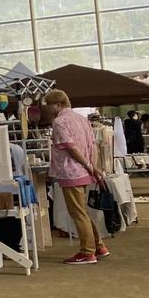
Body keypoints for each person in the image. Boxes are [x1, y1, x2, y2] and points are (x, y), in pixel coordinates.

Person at [42, 89, 107, 264]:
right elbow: (92, 145)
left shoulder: (59, 122)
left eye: (49, 104)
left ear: (59, 104)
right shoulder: (81, 119)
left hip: (71, 172)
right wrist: (92, 166)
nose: (47, 108)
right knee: (82, 211)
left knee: (78, 213)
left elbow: (70, 147)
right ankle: (99, 246)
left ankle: (87, 252)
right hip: (84, 171)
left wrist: (88, 165)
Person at [0, 140, 29, 252]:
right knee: (17, 218)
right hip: (16, 189)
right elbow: (24, 167)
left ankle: (6, 246)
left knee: (1, 219)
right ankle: (15, 245)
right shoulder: (18, 148)